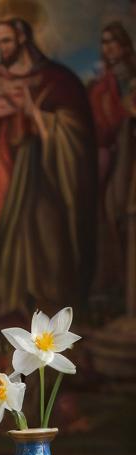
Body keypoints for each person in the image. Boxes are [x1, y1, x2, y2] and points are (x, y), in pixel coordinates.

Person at [0, 1, 97, 314]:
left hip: (46, 175)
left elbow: (78, 132)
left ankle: (52, 306)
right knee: (8, 238)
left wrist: (37, 116)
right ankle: (12, 303)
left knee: (47, 237)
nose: (1, 48)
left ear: (23, 37)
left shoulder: (58, 79)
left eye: (6, 41)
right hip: (3, 175)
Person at [87, 22, 136, 294]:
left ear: (124, 45)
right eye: (104, 42)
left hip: (128, 150)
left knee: (121, 210)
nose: (108, 47)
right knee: (106, 214)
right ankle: (114, 282)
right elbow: (98, 115)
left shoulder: (129, 76)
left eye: (113, 41)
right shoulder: (103, 80)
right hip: (108, 149)